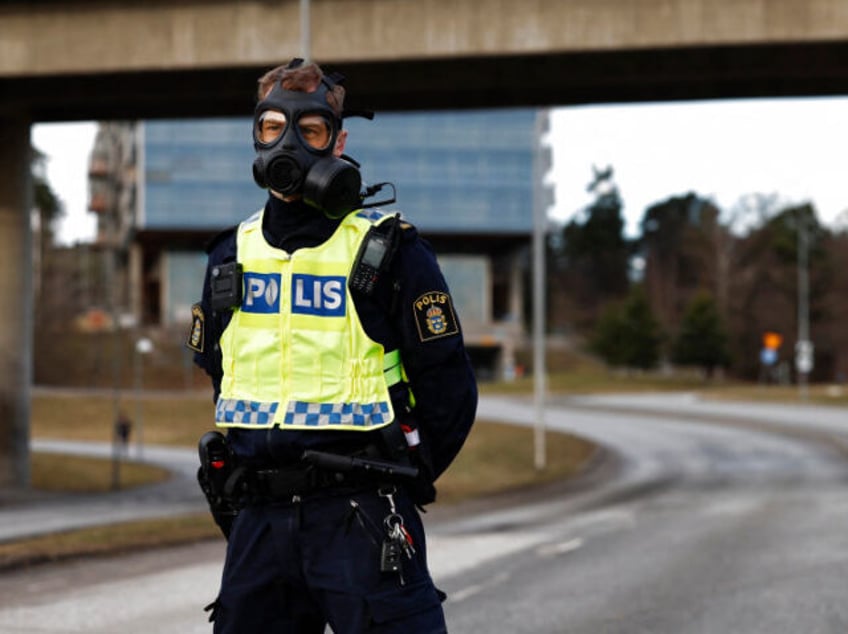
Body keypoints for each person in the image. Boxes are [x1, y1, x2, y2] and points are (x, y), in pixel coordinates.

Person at [188, 58, 478, 633]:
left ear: (337, 140)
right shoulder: (229, 258)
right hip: (260, 525)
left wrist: (399, 478)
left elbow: (450, 393)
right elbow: (224, 378)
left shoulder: (390, 253)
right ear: (256, 132)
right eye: (273, 127)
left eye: (309, 130)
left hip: (362, 518)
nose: (287, 143)